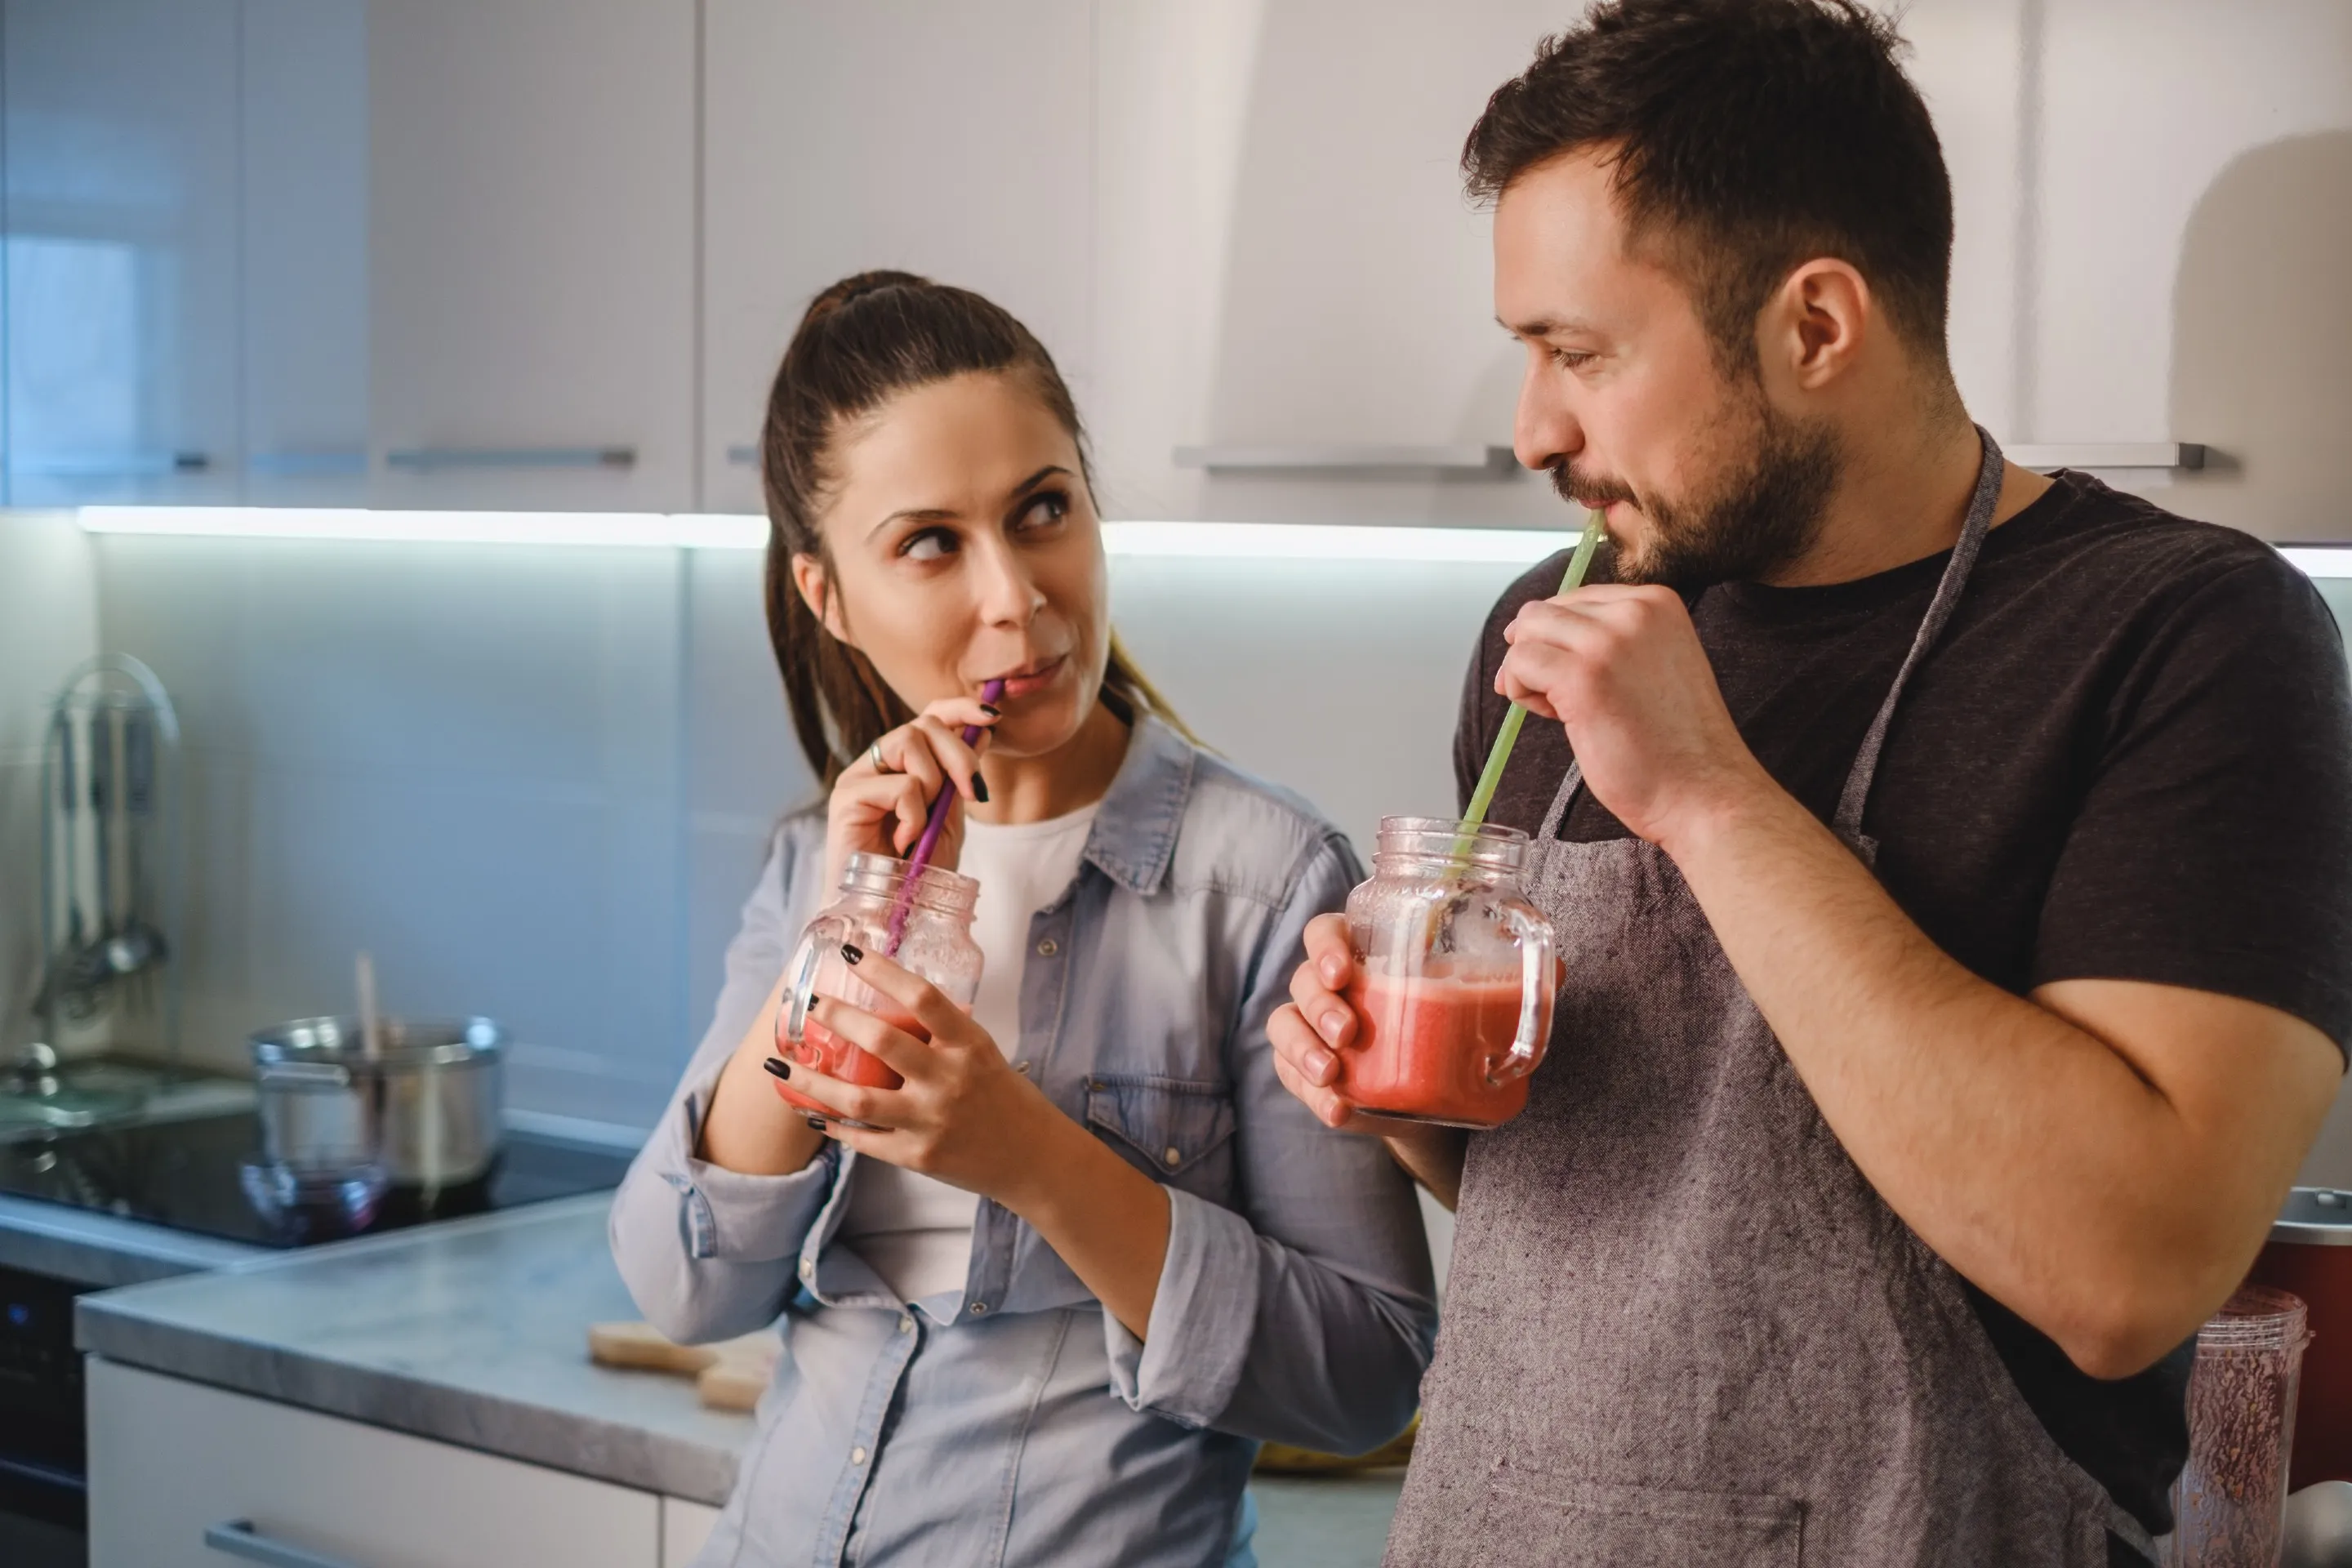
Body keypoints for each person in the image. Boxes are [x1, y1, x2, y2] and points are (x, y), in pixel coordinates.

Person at [1267, 3, 2352, 1565]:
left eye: (1580, 353)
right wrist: (1393, 1084)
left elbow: (2126, 1270)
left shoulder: (2186, 636)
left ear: (1817, 326)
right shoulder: (1559, 622)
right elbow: (1576, 1202)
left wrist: (1709, 795)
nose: (1533, 431)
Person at [610, 272, 1435, 1567]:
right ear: (827, 597)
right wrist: (835, 936)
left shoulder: (1269, 882)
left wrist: (1029, 1158)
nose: (1016, 598)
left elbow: (1365, 1377)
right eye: (930, 542)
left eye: (1042, 510)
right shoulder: (809, 866)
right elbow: (685, 1286)